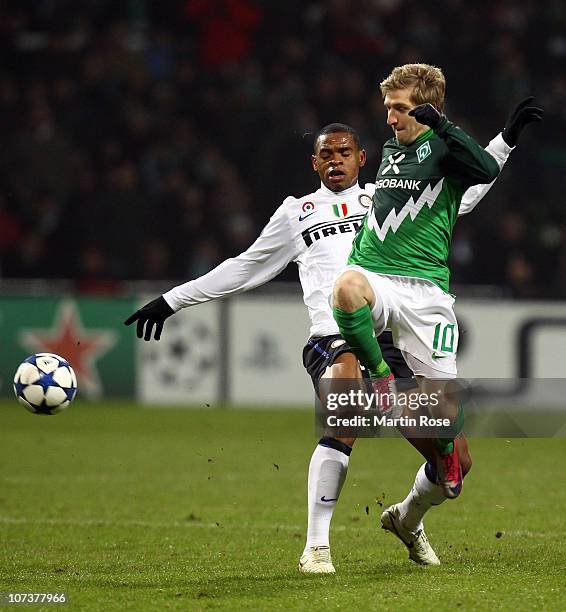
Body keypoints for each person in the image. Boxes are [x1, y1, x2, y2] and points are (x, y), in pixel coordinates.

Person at [124, 98, 539, 572]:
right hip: (333, 335)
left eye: (345, 152)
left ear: (363, 159)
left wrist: (503, 144)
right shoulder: (296, 212)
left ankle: (406, 518)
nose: (336, 160)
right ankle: (316, 547)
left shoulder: (386, 195)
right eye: (327, 154)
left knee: (456, 463)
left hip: (392, 338)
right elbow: (244, 267)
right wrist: (173, 300)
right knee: (348, 407)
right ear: (315, 161)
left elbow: (461, 196)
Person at [332, 63, 543, 535]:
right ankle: (382, 378)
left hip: (426, 295)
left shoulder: (444, 148)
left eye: (400, 109)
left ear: (427, 111)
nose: (389, 118)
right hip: (376, 278)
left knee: (450, 427)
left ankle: (412, 509)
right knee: (345, 289)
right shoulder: (390, 149)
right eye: (387, 108)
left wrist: (503, 141)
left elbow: (478, 176)